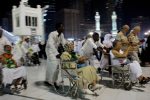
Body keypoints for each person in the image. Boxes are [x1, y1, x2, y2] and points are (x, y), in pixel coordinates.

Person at [45, 23, 67, 88]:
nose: (63, 28)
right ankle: (53, 81)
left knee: (49, 65)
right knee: (55, 64)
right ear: (58, 28)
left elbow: (64, 43)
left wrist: (68, 49)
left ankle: (48, 80)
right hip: (49, 50)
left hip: (55, 50)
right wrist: (56, 53)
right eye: (62, 27)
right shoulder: (52, 34)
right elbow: (50, 44)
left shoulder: (62, 35)